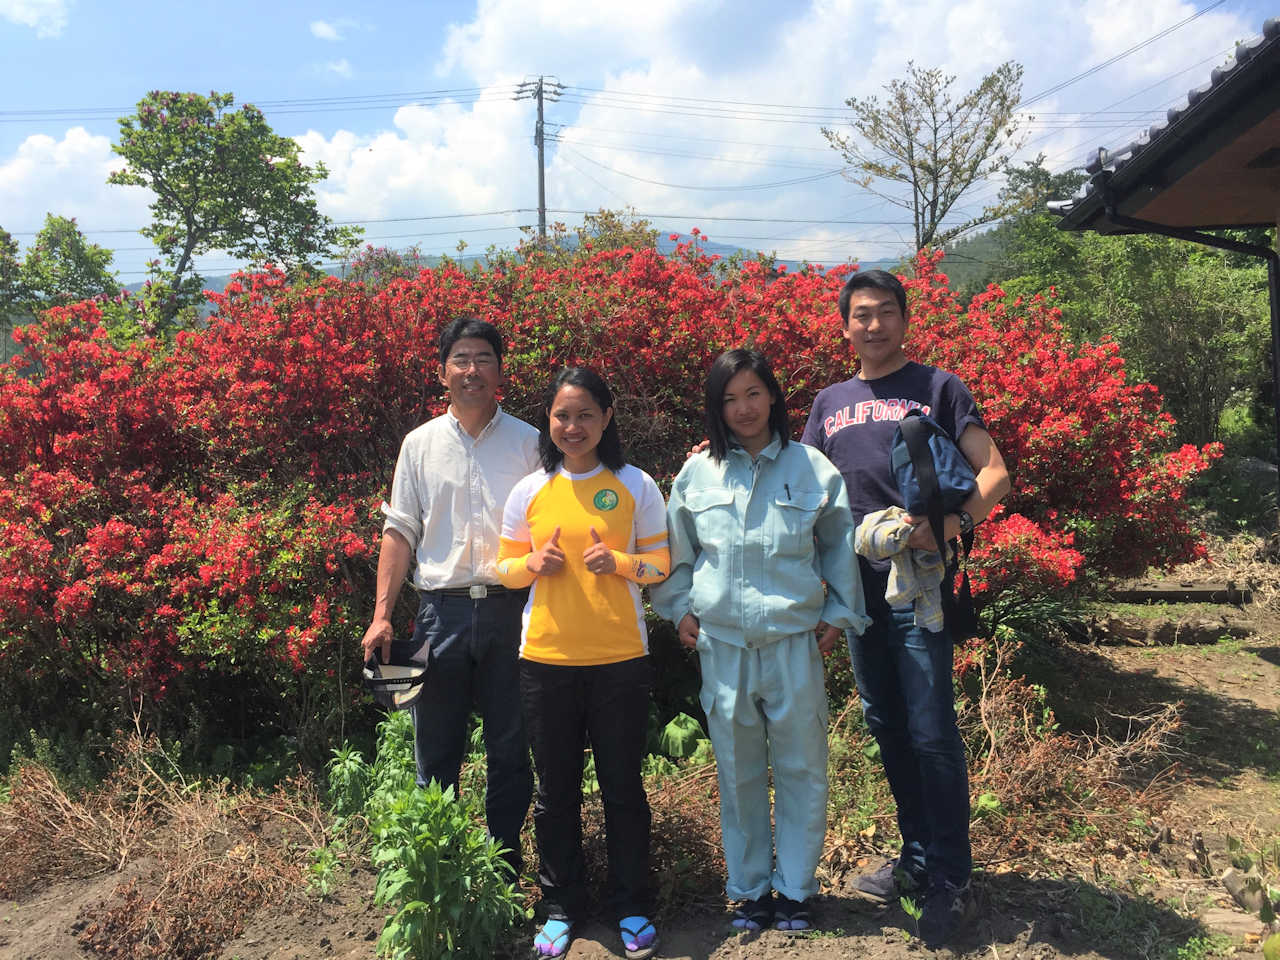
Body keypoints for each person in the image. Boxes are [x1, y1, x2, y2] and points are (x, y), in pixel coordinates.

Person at [800, 270, 1010, 947]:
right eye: (861, 315)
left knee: (930, 727)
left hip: (917, 579)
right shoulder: (829, 402)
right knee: (887, 720)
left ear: (904, 320)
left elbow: (994, 472)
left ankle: (953, 877)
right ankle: (916, 860)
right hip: (854, 583)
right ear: (844, 326)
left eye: (886, 312)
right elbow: (800, 487)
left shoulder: (939, 388)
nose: (874, 325)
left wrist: (953, 527)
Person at [652, 348, 869, 934]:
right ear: (715, 409)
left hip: (794, 643)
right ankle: (749, 891)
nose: (743, 408)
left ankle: (795, 890)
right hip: (722, 646)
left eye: (753, 394)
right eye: (729, 398)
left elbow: (837, 542)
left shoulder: (812, 468)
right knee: (738, 771)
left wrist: (840, 611)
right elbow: (677, 552)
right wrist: (677, 611)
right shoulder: (697, 474)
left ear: (772, 396)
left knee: (802, 767)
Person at [496, 367, 669, 960]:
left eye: (585, 414)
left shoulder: (635, 484)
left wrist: (619, 562)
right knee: (555, 794)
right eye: (562, 416)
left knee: (623, 788)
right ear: (549, 421)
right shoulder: (529, 491)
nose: (573, 426)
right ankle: (561, 906)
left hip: (621, 658)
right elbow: (505, 567)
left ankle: (633, 905)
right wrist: (531, 567)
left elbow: (660, 565)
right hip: (545, 659)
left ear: (607, 416)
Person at [360, 317, 537, 878]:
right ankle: (441, 872)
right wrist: (381, 616)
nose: (471, 370)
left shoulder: (532, 442)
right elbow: (400, 531)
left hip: (515, 611)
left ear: (500, 370)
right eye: (460, 359)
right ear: (442, 373)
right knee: (435, 751)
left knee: (511, 750)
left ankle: (503, 872)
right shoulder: (419, 445)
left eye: (483, 358)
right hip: (442, 614)